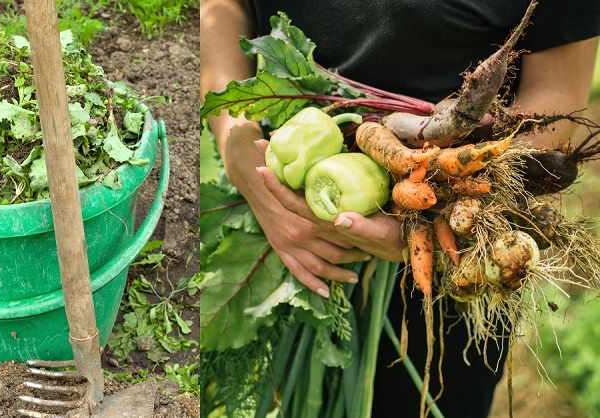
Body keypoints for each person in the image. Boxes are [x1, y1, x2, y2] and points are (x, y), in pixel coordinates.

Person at [200, 1, 600, 416]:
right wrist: (236, 140)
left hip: (459, 250)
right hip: (282, 215)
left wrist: (444, 205)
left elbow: (557, 88)